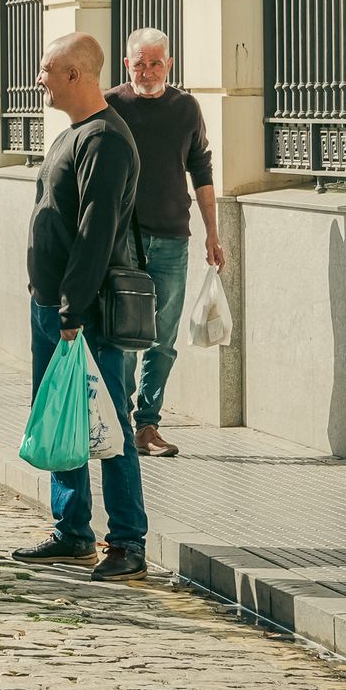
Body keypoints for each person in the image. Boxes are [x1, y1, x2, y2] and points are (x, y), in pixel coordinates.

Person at [13, 32, 148, 582]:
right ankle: (73, 533)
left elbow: (96, 234)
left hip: (82, 314)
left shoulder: (105, 141)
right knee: (66, 417)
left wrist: (72, 311)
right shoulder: (74, 135)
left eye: (47, 70)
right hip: (53, 307)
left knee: (109, 426)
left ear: (76, 75)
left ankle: (127, 543)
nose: (38, 78)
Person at [106, 27, 222, 458]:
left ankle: (147, 425)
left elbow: (202, 169)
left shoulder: (185, 108)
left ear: (169, 64)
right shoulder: (111, 105)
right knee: (126, 334)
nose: (149, 71)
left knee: (163, 338)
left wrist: (213, 232)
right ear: (127, 64)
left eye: (157, 62)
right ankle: (119, 419)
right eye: (141, 63)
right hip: (125, 240)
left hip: (173, 237)